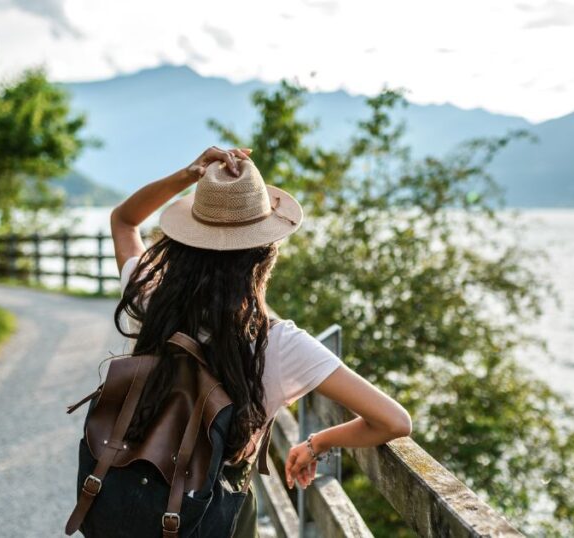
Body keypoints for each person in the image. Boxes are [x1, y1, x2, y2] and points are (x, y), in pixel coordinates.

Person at [108, 146, 412, 536]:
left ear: (185, 241)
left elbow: (124, 220)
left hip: (137, 489)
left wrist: (190, 174)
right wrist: (316, 443)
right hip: (217, 512)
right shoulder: (280, 343)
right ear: (265, 253)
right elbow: (393, 421)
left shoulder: (150, 297)